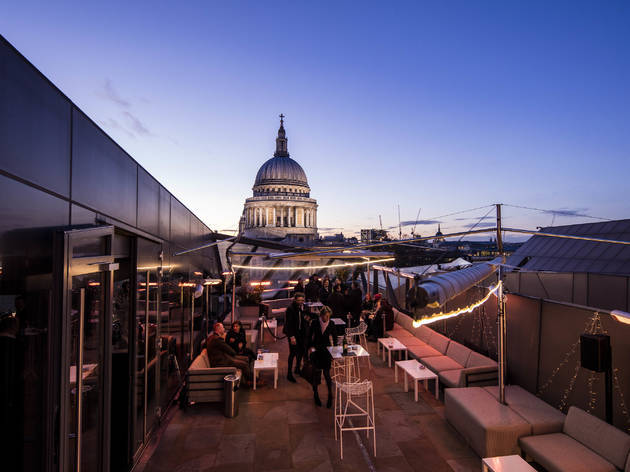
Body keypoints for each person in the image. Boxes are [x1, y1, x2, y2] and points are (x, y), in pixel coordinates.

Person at [206, 322, 256, 387]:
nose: (224, 329)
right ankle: (251, 381)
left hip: (224, 357)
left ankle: (249, 379)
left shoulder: (212, 337)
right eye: (223, 327)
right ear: (218, 329)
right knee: (244, 364)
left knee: (246, 358)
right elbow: (230, 350)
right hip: (221, 362)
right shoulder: (217, 339)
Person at [306, 306, 337, 408]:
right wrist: (310, 349)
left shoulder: (331, 324)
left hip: (326, 351)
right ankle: (316, 394)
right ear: (321, 315)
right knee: (316, 374)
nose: (326, 318)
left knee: (327, 375)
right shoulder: (315, 323)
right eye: (325, 316)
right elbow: (309, 336)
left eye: (328, 316)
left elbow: (335, 338)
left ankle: (330, 395)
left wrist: (334, 352)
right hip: (316, 350)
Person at [283, 292, 308, 382]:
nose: (301, 302)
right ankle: (289, 374)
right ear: (295, 300)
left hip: (300, 334)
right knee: (292, 353)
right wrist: (291, 337)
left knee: (301, 352)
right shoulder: (290, 309)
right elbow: (288, 324)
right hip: (293, 334)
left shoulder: (300, 307)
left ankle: (297, 368)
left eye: (302, 300)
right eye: (299, 300)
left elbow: (300, 319)